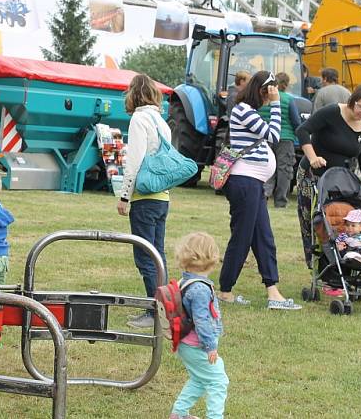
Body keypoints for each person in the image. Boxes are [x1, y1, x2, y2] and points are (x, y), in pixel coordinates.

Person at [217, 70, 301, 310]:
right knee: (242, 237)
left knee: (263, 237)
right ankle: (225, 290)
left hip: (251, 182)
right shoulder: (243, 110)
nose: (271, 97)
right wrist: (276, 105)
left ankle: (272, 291)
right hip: (245, 182)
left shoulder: (247, 111)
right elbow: (274, 135)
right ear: (263, 91)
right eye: (270, 92)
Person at [295, 84, 361, 268]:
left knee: (341, 222)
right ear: (352, 101)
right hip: (313, 175)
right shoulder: (332, 112)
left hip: (339, 181)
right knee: (315, 222)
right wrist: (313, 157)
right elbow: (302, 131)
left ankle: (342, 265)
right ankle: (317, 266)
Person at [118, 73, 171, 329]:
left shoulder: (139, 119)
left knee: (145, 257)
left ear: (133, 94)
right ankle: (167, 307)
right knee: (158, 255)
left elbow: (134, 161)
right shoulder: (161, 120)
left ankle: (155, 312)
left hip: (145, 196)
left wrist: (124, 195)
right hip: (162, 196)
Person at [169, 233, 229, 419]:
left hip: (185, 343)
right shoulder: (200, 289)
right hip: (198, 345)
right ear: (212, 257)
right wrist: (210, 346)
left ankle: (179, 414)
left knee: (200, 379)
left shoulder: (185, 280)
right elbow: (202, 321)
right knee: (218, 380)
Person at [259, 72, 301, 207]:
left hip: (266, 137)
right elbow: (295, 121)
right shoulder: (289, 99)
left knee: (266, 167)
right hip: (285, 138)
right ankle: (280, 200)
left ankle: (264, 196)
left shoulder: (263, 98)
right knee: (284, 169)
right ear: (286, 85)